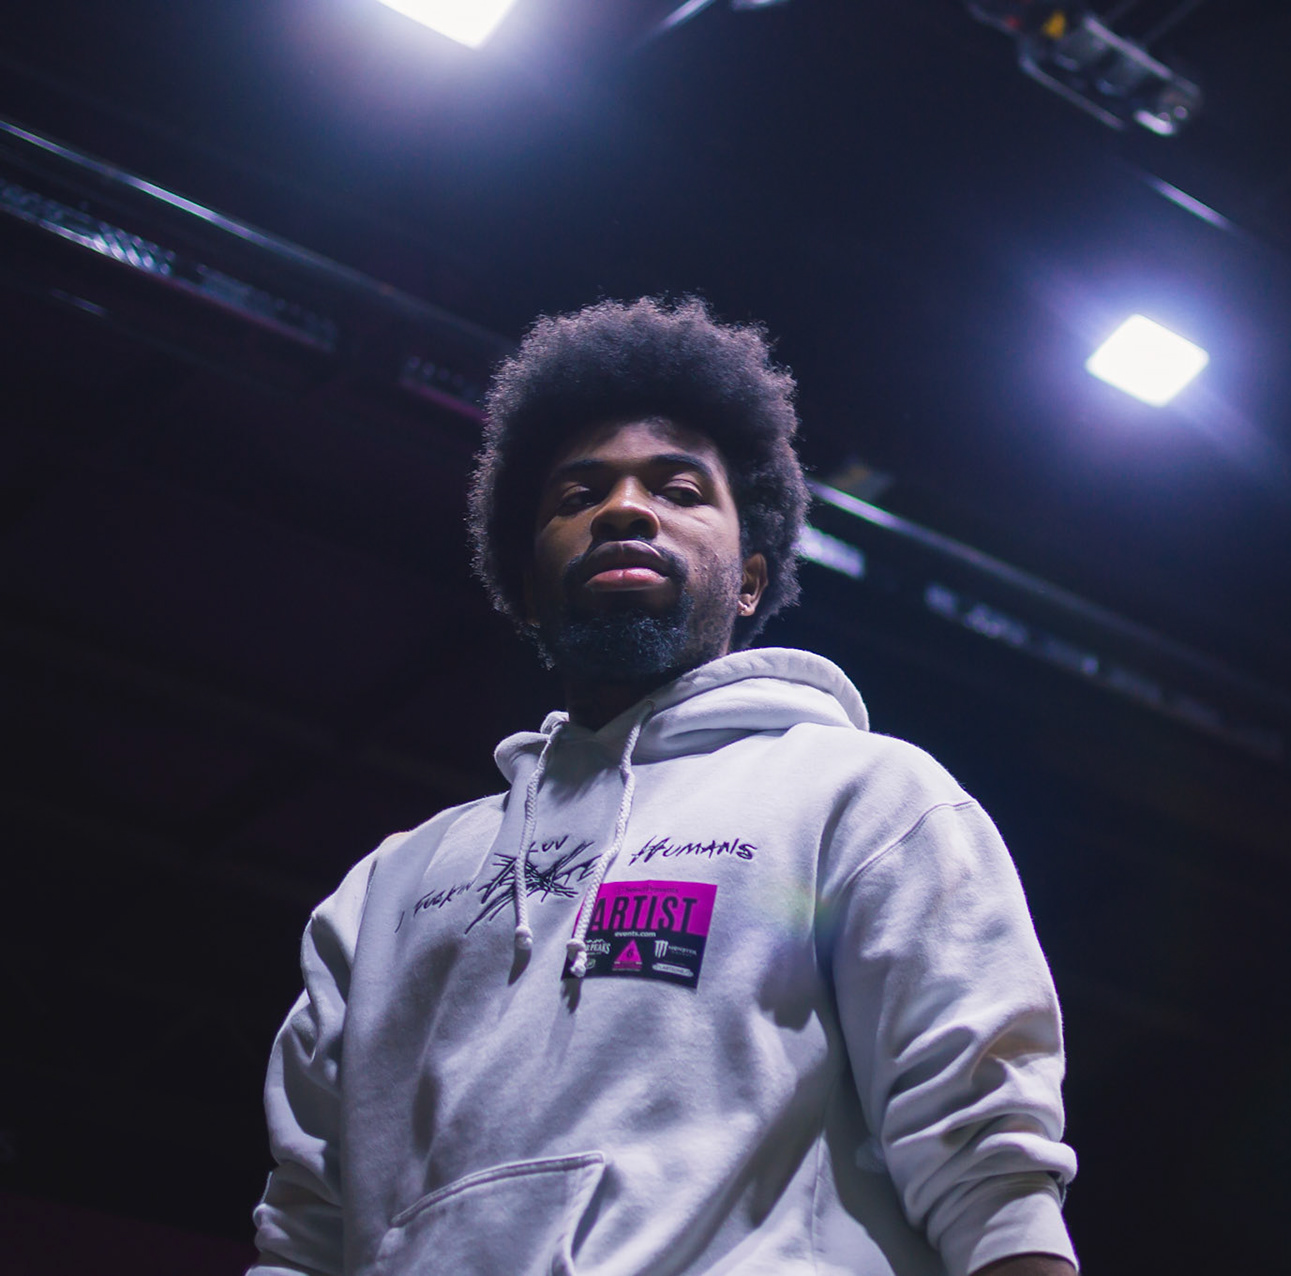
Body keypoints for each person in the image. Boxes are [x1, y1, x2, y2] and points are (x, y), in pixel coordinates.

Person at [249, 297, 1079, 1276]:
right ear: (526, 586)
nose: (625, 509)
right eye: (578, 495)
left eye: (680, 489)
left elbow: (987, 1159)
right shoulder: (386, 891)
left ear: (751, 580)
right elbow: (304, 1231)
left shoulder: (861, 796)